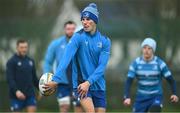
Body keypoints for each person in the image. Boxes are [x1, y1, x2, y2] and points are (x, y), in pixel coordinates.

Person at [44, 3, 111, 113]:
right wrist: (56, 79)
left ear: (95, 20)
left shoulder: (105, 41)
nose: (84, 22)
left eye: (88, 19)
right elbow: (65, 59)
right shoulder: (77, 37)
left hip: (98, 86)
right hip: (80, 84)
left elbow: (101, 67)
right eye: (83, 19)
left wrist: (88, 82)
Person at [123, 38, 179, 113]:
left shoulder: (160, 63)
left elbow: (171, 80)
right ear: (142, 49)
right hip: (141, 97)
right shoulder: (135, 63)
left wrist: (174, 94)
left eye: (149, 48)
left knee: (155, 109)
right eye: (144, 48)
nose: (146, 50)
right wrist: (127, 97)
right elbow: (128, 81)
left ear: (153, 50)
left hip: (156, 96)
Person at [43, 21, 83, 113]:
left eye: (73, 29)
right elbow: (48, 62)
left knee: (79, 108)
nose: (71, 31)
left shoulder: (82, 44)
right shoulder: (56, 44)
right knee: (64, 107)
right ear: (64, 30)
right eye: (68, 29)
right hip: (62, 82)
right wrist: (47, 77)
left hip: (78, 82)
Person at [6, 39, 39, 112]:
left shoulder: (30, 61)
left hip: (30, 95)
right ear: (17, 48)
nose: (24, 49)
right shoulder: (11, 62)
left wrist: (42, 88)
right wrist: (16, 91)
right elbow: (10, 79)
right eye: (21, 47)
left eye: (25, 47)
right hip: (16, 96)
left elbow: (34, 79)